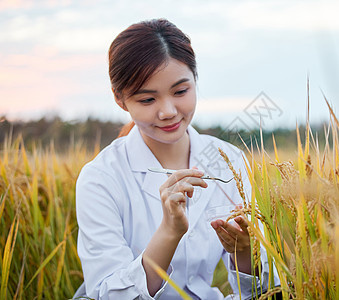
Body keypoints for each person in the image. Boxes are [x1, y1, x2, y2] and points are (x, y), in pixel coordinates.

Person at [74, 19, 278, 300]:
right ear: (120, 100)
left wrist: (244, 252)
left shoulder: (228, 161)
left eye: (181, 91)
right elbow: (107, 293)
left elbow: (264, 292)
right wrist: (169, 232)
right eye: (147, 100)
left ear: (195, 80)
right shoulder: (101, 178)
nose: (168, 111)